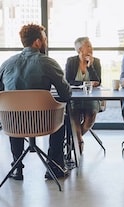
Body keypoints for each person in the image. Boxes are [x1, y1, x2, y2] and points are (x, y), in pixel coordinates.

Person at [0, 23, 72, 180]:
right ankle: (54, 167)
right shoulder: (48, 62)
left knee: (14, 112)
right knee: (62, 116)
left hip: (13, 124)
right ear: (37, 42)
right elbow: (66, 94)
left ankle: (17, 168)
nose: (46, 42)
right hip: (44, 123)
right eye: (45, 39)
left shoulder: (6, 64)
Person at [65, 37, 102, 154]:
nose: (92, 48)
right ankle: (79, 142)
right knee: (73, 113)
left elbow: (97, 81)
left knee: (90, 115)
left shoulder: (96, 61)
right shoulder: (71, 61)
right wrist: (85, 83)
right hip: (74, 97)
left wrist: (90, 66)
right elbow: (68, 81)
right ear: (80, 49)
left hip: (91, 97)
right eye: (89, 46)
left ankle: (75, 140)